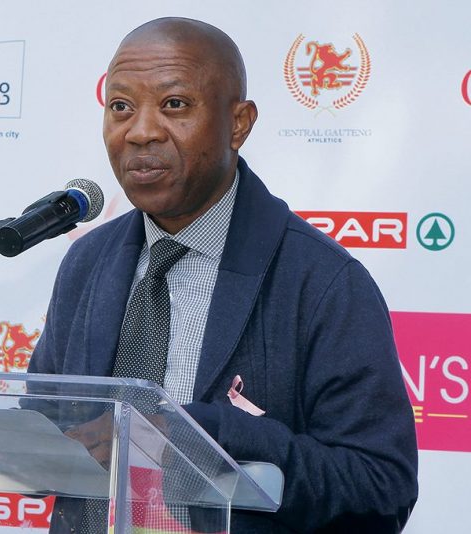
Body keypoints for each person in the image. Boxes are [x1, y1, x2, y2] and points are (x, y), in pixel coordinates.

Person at [28, 17, 418, 533]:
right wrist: (15, 441)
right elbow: (44, 430)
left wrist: (204, 437)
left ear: (239, 124)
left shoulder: (323, 281)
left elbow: (380, 487)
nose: (140, 132)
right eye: (120, 107)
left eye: (174, 104)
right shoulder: (87, 262)